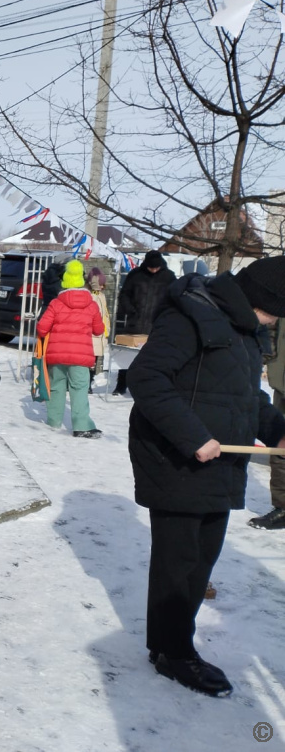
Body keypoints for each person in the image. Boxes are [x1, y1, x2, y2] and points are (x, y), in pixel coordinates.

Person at [128, 257, 285, 697]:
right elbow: (146, 377)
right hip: (176, 457)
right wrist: (193, 436)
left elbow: (242, 395)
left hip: (219, 463)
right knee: (180, 563)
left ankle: (173, 645)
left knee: (200, 560)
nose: (276, 320)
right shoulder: (190, 315)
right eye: (277, 310)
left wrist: (277, 430)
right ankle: (172, 653)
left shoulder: (242, 329)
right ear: (261, 299)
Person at [35, 260, 105, 438]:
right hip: (81, 356)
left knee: (57, 386)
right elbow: (99, 330)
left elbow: (42, 328)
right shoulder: (91, 304)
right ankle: (81, 425)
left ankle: (54, 421)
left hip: (56, 355)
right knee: (79, 388)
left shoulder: (56, 303)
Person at [113, 250, 176, 395]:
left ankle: (149, 386)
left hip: (157, 325)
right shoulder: (135, 275)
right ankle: (121, 385)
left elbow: (174, 299)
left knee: (153, 359)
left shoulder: (169, 277)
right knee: (126, 357)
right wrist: (130, 310)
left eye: (156, 267)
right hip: (135, 321)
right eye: (151, 267)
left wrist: (164, 315)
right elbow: (124, 295)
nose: (154, 270)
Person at [249, 316, 285, 529]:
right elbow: (271, 326)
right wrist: (265, 355)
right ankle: (283, 507)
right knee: (280, 442)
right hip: (282, 379)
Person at [86, 267, 111, 393]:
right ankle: (85, 384)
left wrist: (107, 329)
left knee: (94, 361)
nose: (102, 287)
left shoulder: (101, 296)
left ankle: (89, 382)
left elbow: (105, 314)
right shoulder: (89, 296)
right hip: (91, 334)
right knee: (87, 361)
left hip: (100, 334)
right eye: (100, 284)